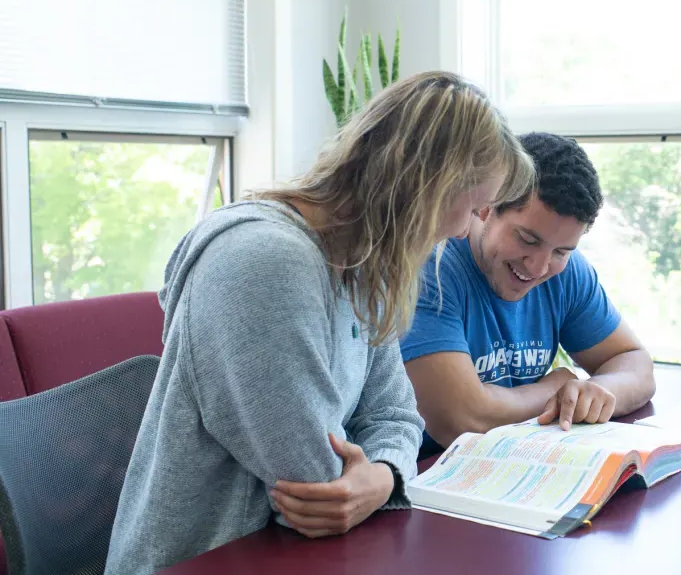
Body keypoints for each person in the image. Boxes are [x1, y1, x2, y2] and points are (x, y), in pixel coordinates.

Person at [104, 72, 535, 573]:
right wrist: (370, 478)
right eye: (475, 206)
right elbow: (315, 490)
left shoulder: (362, 264)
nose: (466, 229)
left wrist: (383, 477)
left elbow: (397, 415)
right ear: (430, 188)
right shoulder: (267, 263)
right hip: (210, 557)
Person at [399, 132, 656, 452]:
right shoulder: (430, 268)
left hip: (510, 466)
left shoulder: (567, 272)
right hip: (417, 476)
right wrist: (554, 389)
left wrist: (597, 392)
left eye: (561, 251)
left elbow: (634, 362)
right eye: (527, 240)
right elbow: (464, 419)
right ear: (486, 207)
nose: (538, 268)